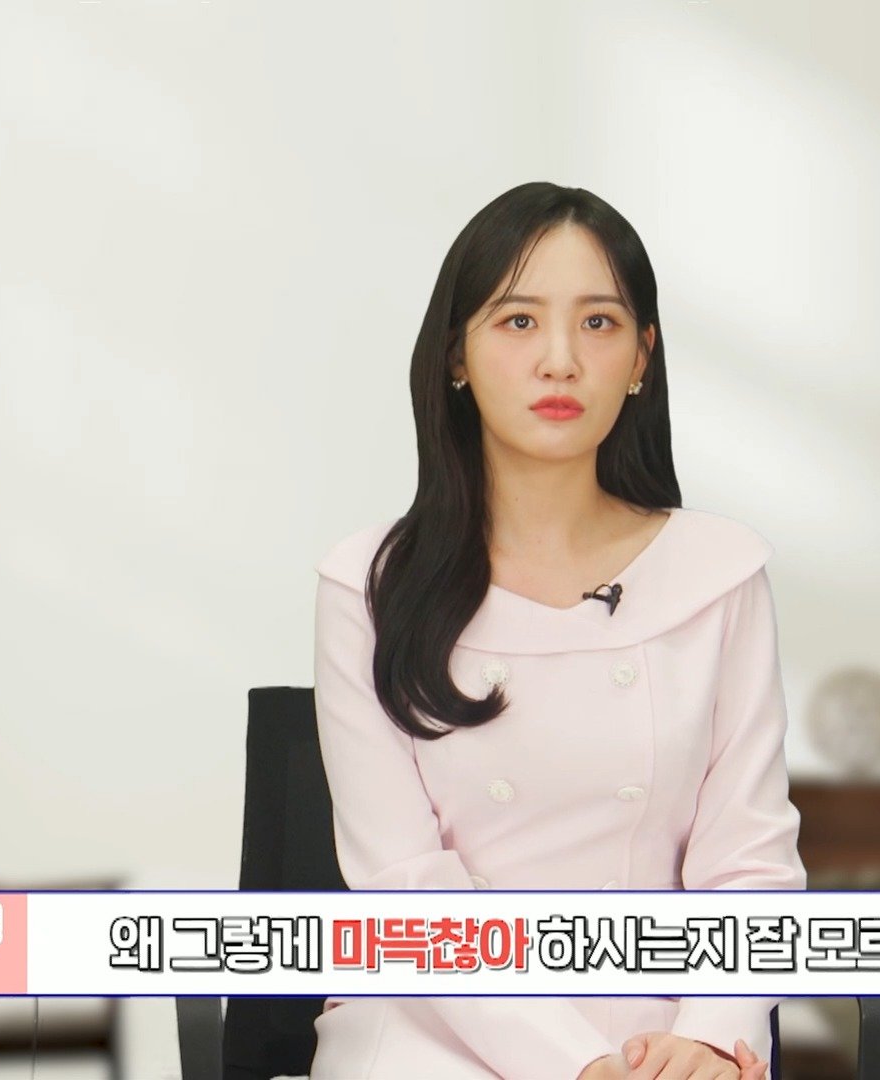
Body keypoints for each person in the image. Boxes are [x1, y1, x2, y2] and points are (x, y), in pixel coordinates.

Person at [310, 182, 806, 1079]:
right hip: (433, 1024)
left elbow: (749, 860)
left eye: (599, 323)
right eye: (518, 321)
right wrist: (574, 1064)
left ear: (642, 356)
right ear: (456, 355)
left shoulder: (718, 574)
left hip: (665, 1025)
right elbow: (405, 887)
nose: (561, 361)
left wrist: (707, 1036)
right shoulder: (369, 586)